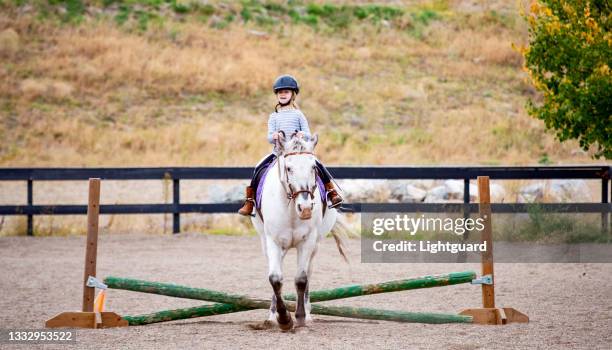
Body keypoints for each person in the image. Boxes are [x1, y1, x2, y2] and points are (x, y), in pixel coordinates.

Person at [238, 74, 343, 216]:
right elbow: (269, 137)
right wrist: (274, 136)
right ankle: (250, 201)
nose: (283, 94)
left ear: (293, 94)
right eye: (280, 92)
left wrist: (302, 135)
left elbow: (307, 133)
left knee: (318, 165)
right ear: (277, 95)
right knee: (258, 168)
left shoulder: (298, 114)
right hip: (279, 153)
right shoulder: (273, 117)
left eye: (286, 92)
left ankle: (331, 191)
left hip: (299, 153)